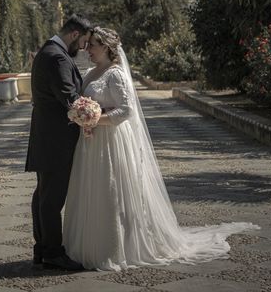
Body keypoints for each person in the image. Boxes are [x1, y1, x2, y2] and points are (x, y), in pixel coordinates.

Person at [63, 27, 259, 271]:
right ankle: (87, 245)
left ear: (106, 47)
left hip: (111, 140)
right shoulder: (91, 72)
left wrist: (94, 119)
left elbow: (126, 110)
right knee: (93, 187)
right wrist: (83, 114)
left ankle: (117, 247)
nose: (87, 49)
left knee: (112, 188)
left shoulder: (115, 74)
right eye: (88, 44)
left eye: (92, 45)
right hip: (92, 141)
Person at [25, 14, 92, 270]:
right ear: (75, 35)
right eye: (83, 42)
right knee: (52, 199)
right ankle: (52, 251)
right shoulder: (57, 56)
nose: (84, 48)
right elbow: (69, 98)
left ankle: (42, 248)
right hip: (56, 139)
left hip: (47, 136)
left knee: (43, 195)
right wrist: (94, 112)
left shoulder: (49, 50)